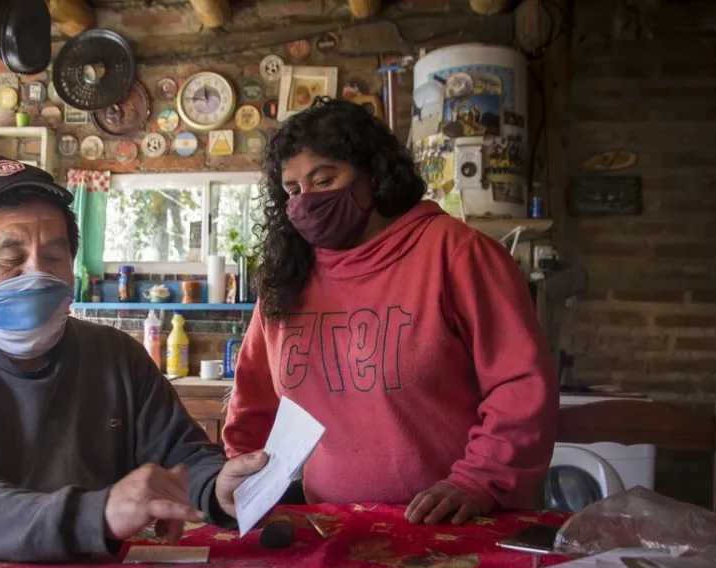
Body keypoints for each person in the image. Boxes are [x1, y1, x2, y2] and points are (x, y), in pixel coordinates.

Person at [0, 156, 266, 568]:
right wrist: (98, 514)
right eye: (12, 257)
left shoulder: (117, 357)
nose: (36, 274)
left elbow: (183, 454)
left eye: (53, 256)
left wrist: (215, 487)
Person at [223, 99, 557, 525]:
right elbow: (253, 400)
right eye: (292, 191)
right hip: (331, 525)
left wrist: (479, 480)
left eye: (324, 179)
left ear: (373, 174)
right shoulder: (288, 276)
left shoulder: (455, 253)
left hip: (454, 522)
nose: (306, 201)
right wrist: (245, 483)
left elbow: (522, 386)